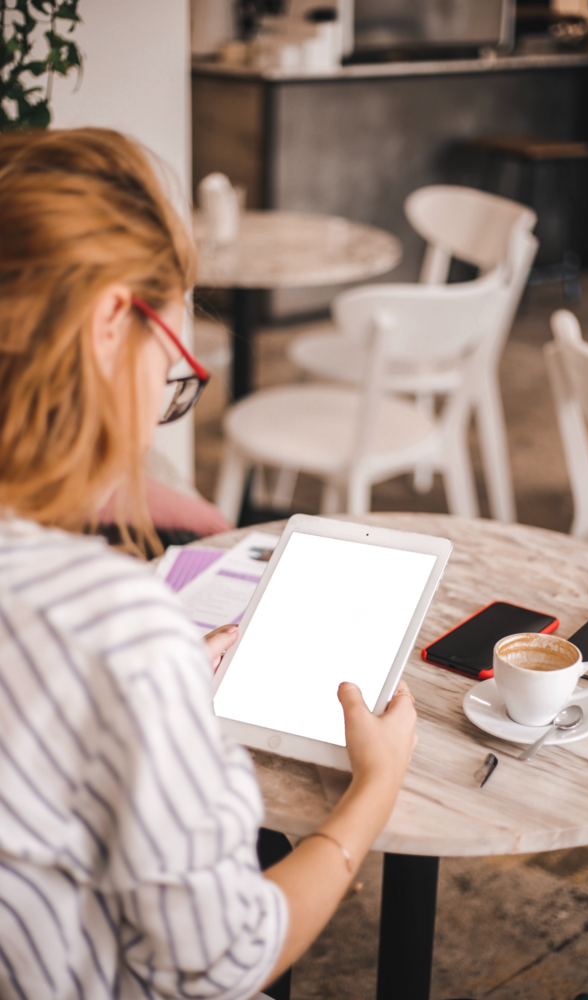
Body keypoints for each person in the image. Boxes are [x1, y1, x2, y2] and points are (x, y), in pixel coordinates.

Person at [0, 128, 417, 999]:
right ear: (115, 319)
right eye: (173, 372)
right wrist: (373, 791)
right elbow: (221, 963)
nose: (161, 406)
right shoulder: (109, 627)